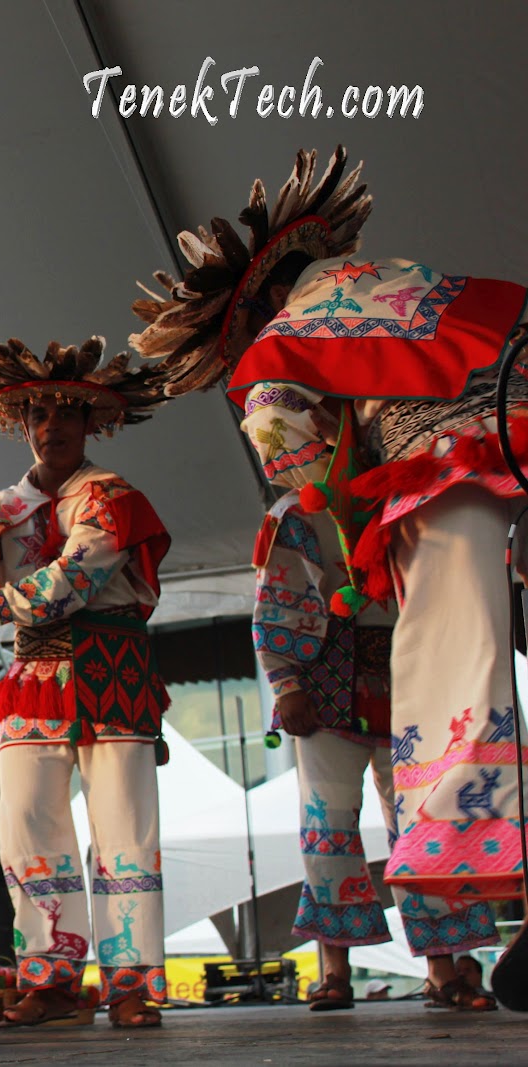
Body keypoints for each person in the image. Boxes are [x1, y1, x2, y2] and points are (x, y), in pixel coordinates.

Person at [128, 146, 528, 1003]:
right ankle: (444, 914)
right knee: (360, 786)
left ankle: (476, 841)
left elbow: (283, 442)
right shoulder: (412, 278)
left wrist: (332, 503)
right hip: (514, 419)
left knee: (451, 659)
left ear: (271, 295)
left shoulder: (292, 332)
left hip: (444, 467)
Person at [0, 336, 173, 1029]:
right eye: (41, 414)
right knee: (26, 828)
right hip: (34, 673)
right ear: (25, 425)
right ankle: (54, 975)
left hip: (111, 667)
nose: (55, 427)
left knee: (124, 827)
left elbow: (74, 578)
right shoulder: (0, 508)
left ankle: (129, 982)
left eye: (69, 414)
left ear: (91, 425)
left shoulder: (112, 496)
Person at [254, 491, 498, 1012]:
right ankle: (335, 971)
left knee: (423, 826)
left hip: (413, 680)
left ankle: (445, 968)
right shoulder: (296, 512)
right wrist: (284, 683)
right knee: (326, 828)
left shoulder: (415, 497)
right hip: (323, 686)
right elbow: (276, 598)